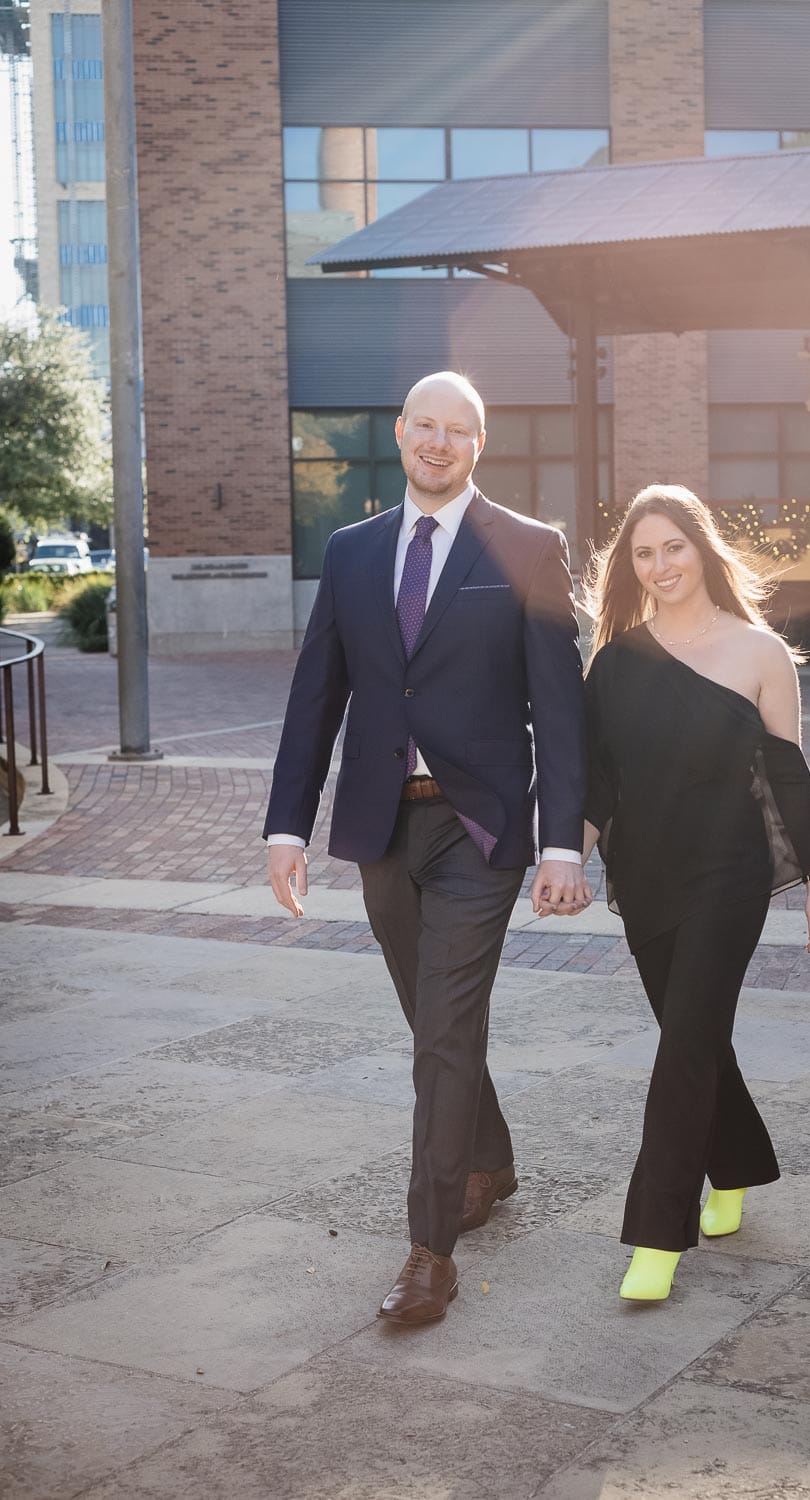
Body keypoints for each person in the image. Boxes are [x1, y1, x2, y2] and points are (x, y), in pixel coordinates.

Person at [264, 371, 590, 1325]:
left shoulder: (527, 549)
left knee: (443, 1033)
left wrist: (561, 843)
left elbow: (559, 710)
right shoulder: (353, 549)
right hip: (380, 824)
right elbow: (316, 695)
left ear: (479, 446)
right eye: (425, 427)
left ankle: (429, 1249)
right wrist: (288, 824)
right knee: (434, 1020)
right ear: (401, 433)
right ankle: (488, 1157)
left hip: (478, 826)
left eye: (460, 431)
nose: (439, 444)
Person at [582, 484, 810, 1302]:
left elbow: (788, 776)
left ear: (703, 549)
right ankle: (736, 1166)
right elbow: (597, 783)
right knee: (696, 1038)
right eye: (643, 554)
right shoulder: (615, 661)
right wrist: (562, 860)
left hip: (730, 878)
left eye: (674, 548)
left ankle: (658, 1235)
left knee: (683, 1042)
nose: (660, 566)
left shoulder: (759, 652)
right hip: (647, 876)